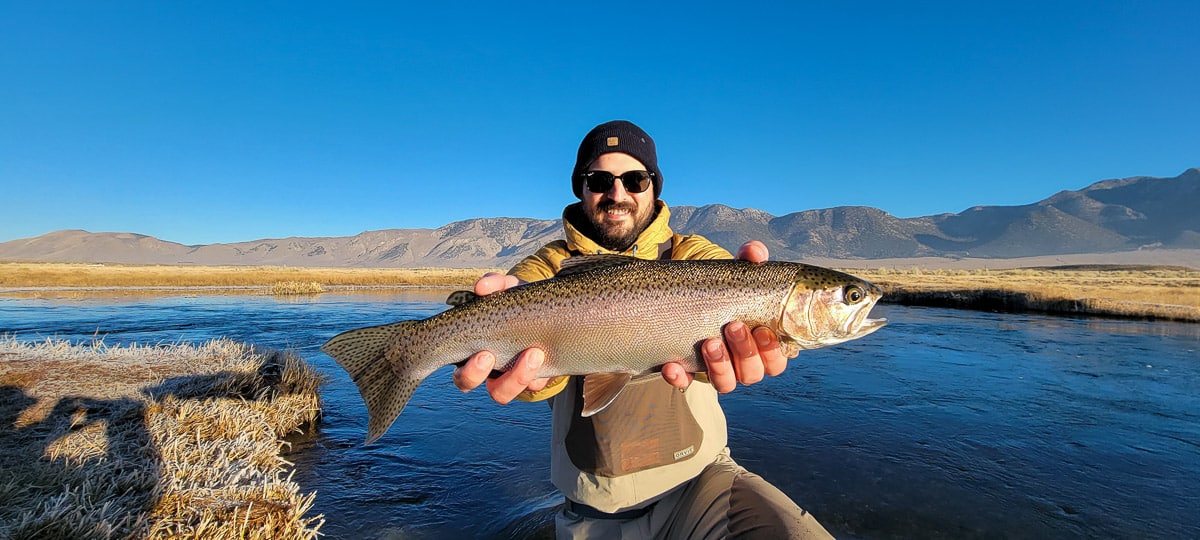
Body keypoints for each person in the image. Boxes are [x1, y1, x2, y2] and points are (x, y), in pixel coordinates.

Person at [453, 120, 834, 539]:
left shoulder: (696, 257)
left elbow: (735, 304)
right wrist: (505, 367)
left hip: (703, 488)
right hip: (591, 514)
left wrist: (752, 335)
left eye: (635, 179)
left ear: (655, 186)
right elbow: (527, 377)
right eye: (600, 180)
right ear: (580, 187)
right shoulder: (546, 269)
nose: (618, 194)